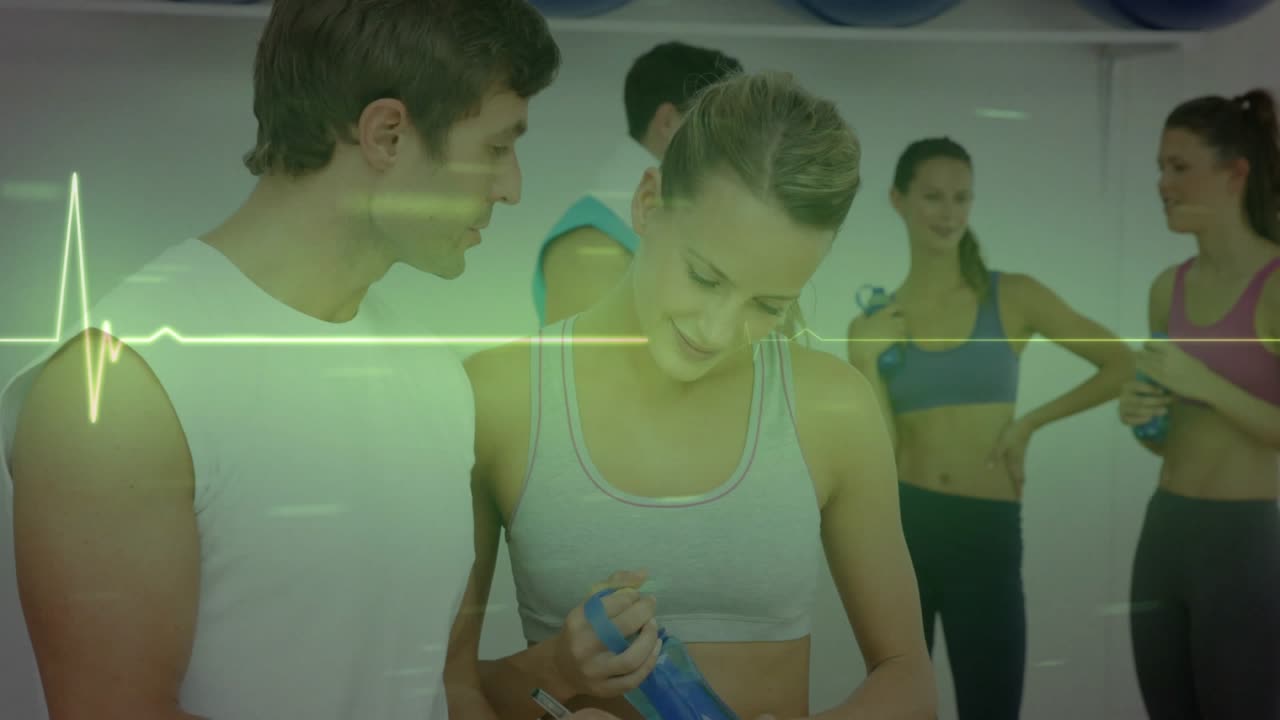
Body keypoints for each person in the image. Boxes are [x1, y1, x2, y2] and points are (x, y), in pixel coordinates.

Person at [0, 1, 596, 719]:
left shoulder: (435, 379)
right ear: (388, 133)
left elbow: (444, 688)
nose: (512, 186)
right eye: (498, 147)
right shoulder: (123, 390)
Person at [448, 70, 937, 720]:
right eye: (705, 276)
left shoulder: (833, 408)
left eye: (768, 304)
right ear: (648, 201)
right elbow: (444, 689)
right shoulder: (497, 398)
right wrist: (556, 668)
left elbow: (909, 680)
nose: (718, 330)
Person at [845, 137, 1132, 719]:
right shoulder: (875, 323)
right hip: (906, 532)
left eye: (961, 198)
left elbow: (1121, 363)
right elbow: (881, 455)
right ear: (898, 200)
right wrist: (865, 360)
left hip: (987, 533)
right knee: (901, 708)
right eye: (932, 197)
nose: (948, 212)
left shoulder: (1013, 296)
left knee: (992, 709)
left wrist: (1030, 423)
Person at [1118, 88, 1280, 720]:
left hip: (1243, 545)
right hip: (1164, 534)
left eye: (1179, 167)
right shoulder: (1168, 289)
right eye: (1161, 167)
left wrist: (1204, 384)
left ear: (1234, 173)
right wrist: (1142, 417)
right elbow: (1167, 435)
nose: (1163, 183)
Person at [533, 41, 741, 327]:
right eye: (726, 125)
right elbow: (587, 369)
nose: (741, 147)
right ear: (668, 122)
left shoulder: (632, 230)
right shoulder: (592, 244)